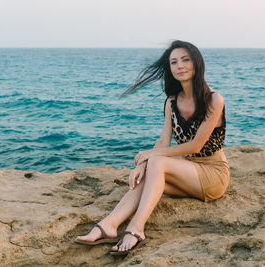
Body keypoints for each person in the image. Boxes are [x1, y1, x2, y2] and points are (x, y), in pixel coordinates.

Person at [75, 40, 230, 255]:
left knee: (156, 161)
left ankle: (136, 228)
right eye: (174, 62)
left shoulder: (213, 99)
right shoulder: (172, 101)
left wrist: (150, 156)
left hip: (213, 175)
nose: (180, 66)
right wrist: (144, 164)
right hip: (187, 173)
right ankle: (109, 225)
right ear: (170, 68)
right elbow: (164, 140)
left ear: (197, 63)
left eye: (185, 60)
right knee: (147, 175)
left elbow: (196, 145)